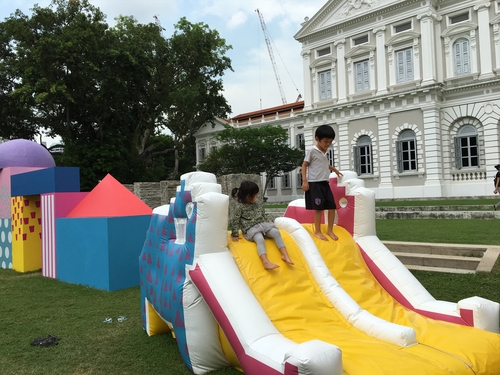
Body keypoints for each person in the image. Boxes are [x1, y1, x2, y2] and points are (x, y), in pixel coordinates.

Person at [230, 180, 293, 270]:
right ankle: (266, 262)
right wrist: (234, 234)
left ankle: (285, 255)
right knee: (260, 239)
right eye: (255, 194)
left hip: (263, 225)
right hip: (251, 229)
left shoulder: (256, 205)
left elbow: (263, 215)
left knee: (276, 232)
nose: (257, 196)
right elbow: (235, 221)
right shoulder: (239, 207)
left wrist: (269, 224)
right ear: (248, 196)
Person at [301, 124, 343, 241]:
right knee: (319, 208)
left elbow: (324, 165)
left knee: (332, 207)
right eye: (325, 141)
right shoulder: (312, 151)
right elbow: (304, 165)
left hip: (325, 183)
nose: (328, 144)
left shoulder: (325, 152)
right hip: (315, 183)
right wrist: (305, 181)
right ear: (317, 139)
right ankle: (317, 231)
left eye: (330, 142)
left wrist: (334, 170)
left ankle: (330, 230)